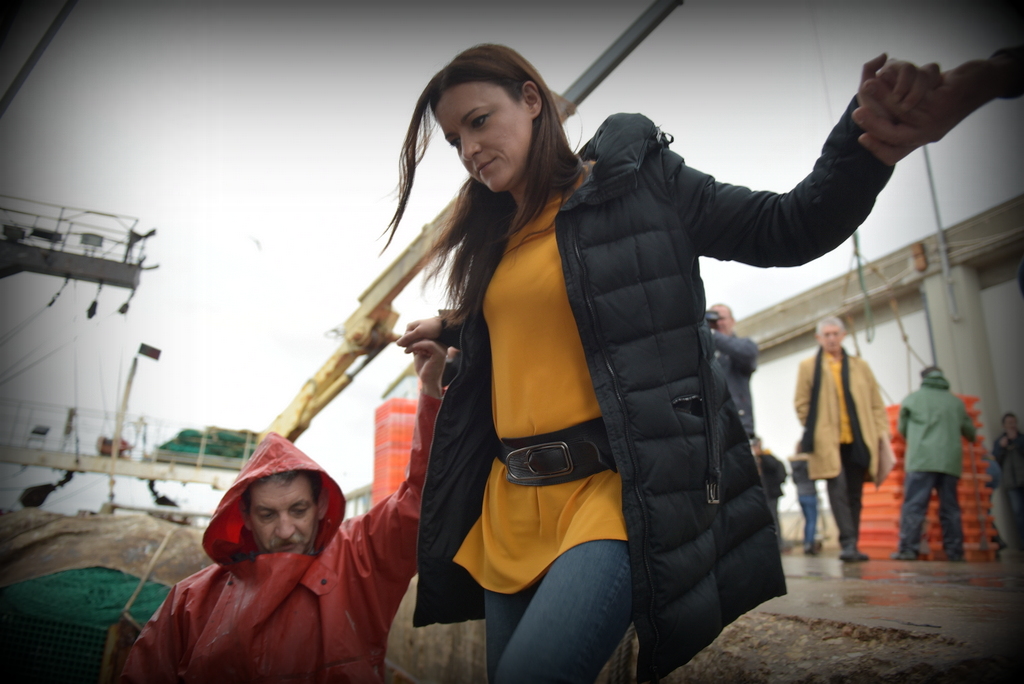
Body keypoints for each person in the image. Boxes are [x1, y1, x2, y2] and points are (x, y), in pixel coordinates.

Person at [390, 44, 967, 682]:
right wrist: (452, 327)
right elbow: (534, 315)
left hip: (613, 496)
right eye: (453, 139)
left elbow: (786, 226)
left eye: (478, 121)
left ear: (531, 101)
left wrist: (867, 142)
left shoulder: (639, 183)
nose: (469, 148)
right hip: (511, 507)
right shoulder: (494, 239)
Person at [120, 340, 447, 684]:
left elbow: (423, 499)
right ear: (244, 516)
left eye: (298, 509)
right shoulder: (190, 602)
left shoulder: (360, 558)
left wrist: (430, 390)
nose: (287, 530)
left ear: (321, 505)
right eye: (268, 515)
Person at [794, 317, 889, 562]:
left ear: (843, 335)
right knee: (837, 490)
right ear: (819, 338)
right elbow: (801, 403)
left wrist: (880, 432)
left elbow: (876, 404)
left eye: (835, 333)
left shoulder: (860, 366)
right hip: (829, 442)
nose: (832, 338)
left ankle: (853, 542)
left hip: (858, 439)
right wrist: (816, 428)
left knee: (856, 493)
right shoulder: (809, 366)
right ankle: (847, 543)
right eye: (827, 334)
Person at [891, 367, 976, 561]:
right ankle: (955, 552)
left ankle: (908, 550)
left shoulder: (912, 399)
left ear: (923, 379)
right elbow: (970, 433)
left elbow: (902, 429)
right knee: (950, 508)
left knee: (914, 506)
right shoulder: (956, 402)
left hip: (921, 460)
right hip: (950, 462)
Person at [708, 303, 758, 437]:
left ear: (733, 321)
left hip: (739, 425)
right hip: (713, 427)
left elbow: (747, 355)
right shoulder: (704, 353)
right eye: (712, 320)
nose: (717, 323)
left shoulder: (744, 347)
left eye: (721, 318)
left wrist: (711, 334)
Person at [993, 412, 1024, 547]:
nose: (1012, 425)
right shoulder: (1000, 442)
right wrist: (1001, 447)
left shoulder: (1022, 439)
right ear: (1004, 425)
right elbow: (995, 461)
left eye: (1013, 422)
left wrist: (1016, 441)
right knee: (1018, 513)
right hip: (1011, 483)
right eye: (1009, 423)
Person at [752, 437, 787, 552]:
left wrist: (761, 455)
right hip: (760, 495)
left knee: (773, 518)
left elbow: (773, 467)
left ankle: (778, 543)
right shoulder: (753, 459)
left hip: (770, 494)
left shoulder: (768, 457)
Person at [789, 453, 820, 556]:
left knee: (807, 521)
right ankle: (809, 544)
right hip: (810, 493)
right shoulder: (807, 464)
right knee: (812, 520)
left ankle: (806, 542)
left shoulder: (794, 465)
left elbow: (794, 480)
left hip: (800, 494)